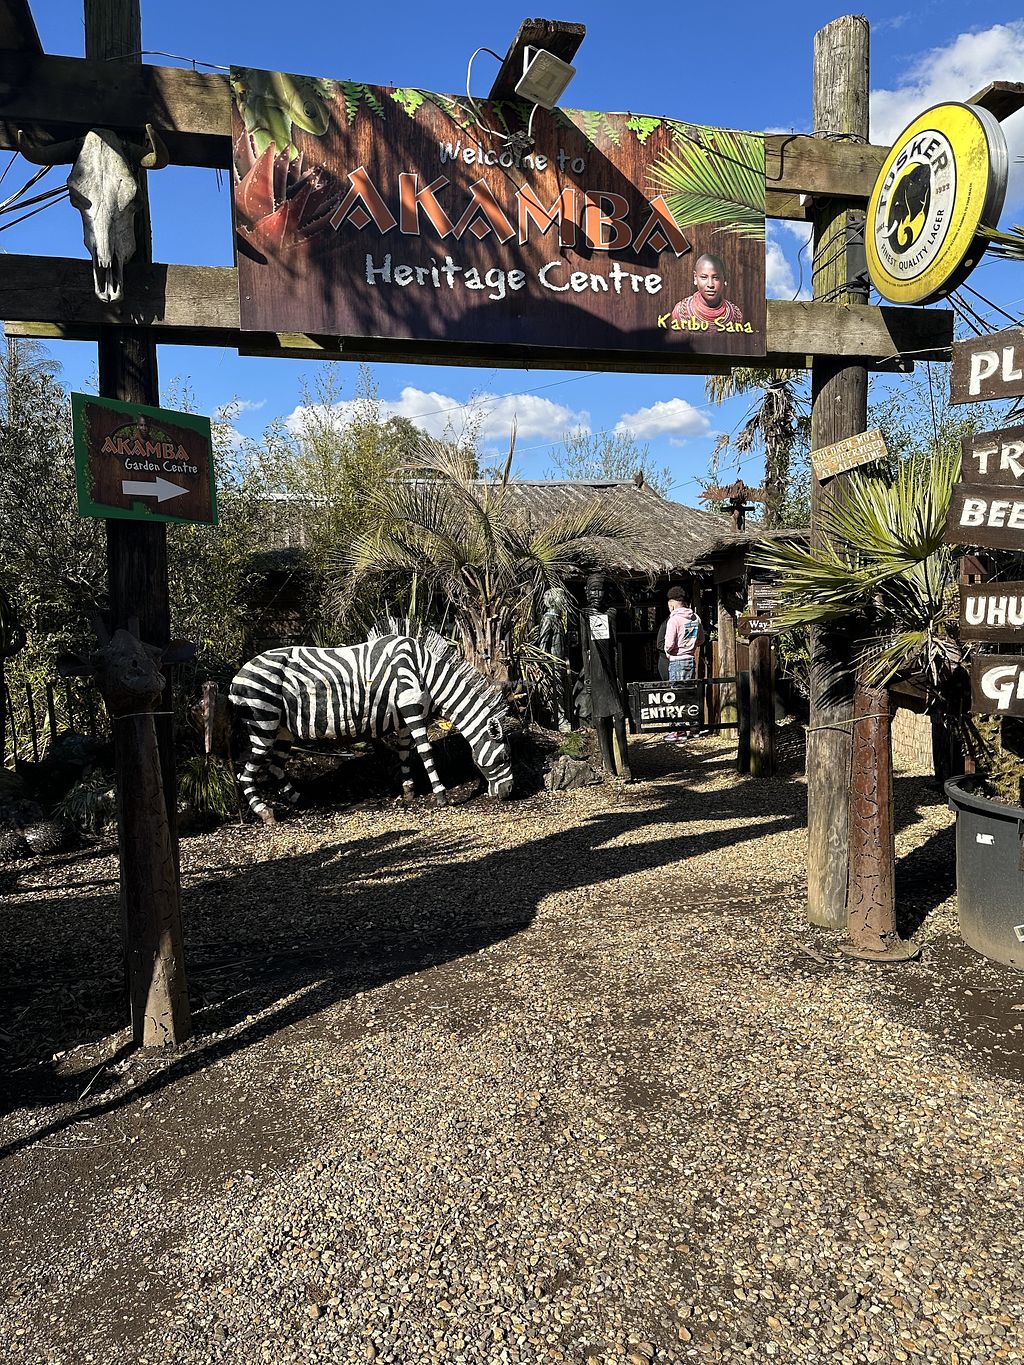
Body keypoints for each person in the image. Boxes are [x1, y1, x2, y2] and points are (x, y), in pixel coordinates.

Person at [580, 574, 631, 781]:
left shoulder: (611, 614)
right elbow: (584, 649)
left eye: (600, 590)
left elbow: (616, 647)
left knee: (619, 716)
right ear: (587, 592)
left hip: (610, 674)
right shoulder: (584, 615)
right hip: (595, 673)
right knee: (600, 720)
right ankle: (608, 767)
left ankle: (625, 765)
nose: (597, 594)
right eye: (593, 590)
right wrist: (587, 677)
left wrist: (618, 675)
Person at [663, 585, 704, 739]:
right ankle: (694, 727)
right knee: (689, 694)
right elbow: (701, 639)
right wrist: (690, 646)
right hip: (690, 659)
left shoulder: (674, 620)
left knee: (676, 696)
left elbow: (669, 644)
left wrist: (669, 652)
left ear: (672, 603)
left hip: (677, 660)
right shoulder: (695, 617)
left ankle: (679, 730)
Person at [671, 253, 744, 328]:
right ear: (695, 278)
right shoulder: (681, 312)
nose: (710, 284)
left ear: (724, 278)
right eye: (704, 277)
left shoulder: (735, 315)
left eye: (716, 278)